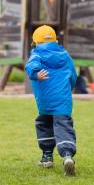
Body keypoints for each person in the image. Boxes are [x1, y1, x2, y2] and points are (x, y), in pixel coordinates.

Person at [25, 25, 77, 176]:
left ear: (36, 42)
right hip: (63, 99)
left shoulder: (37, 53)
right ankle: (67, 155)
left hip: (45, 100)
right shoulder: (65, 55)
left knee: (44, 123)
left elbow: (31, 66)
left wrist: (35, 74)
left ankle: (47, 155)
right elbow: (73, 75)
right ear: (55, 40)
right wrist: (68, 87)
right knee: (64, 125)